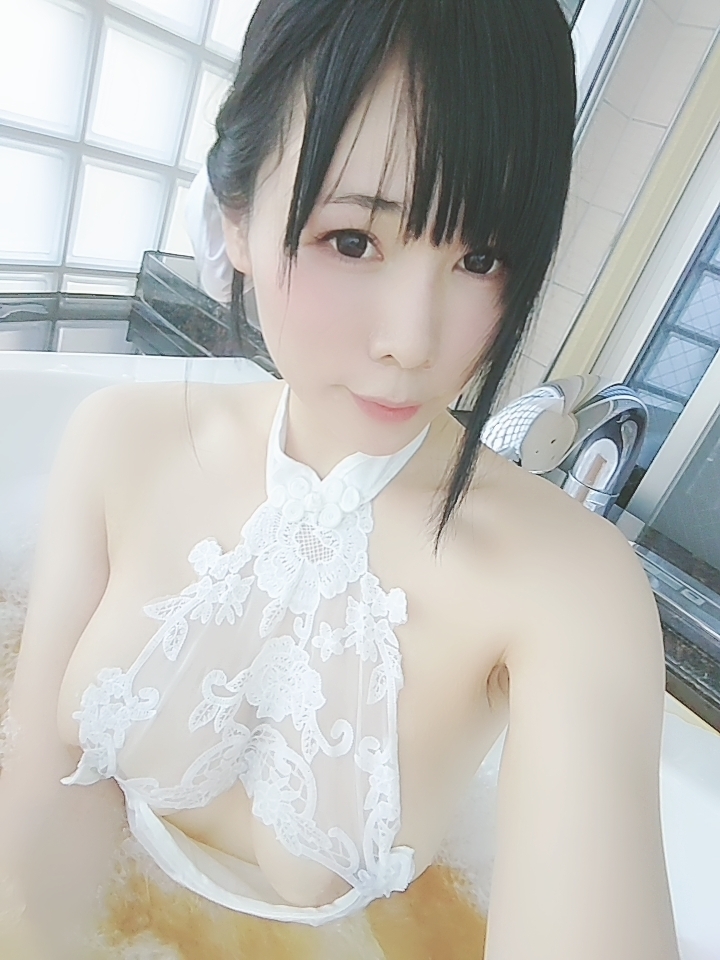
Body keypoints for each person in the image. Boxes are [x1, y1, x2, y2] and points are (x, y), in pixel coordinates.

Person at [0, 1, 681, 958]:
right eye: (354, 240)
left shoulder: (569, 587)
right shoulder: (121, 441)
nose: (413, 341)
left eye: (480, 257)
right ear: (237, 216)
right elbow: (38, 800)